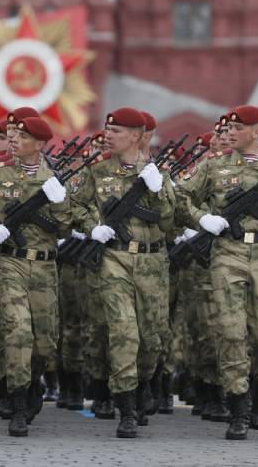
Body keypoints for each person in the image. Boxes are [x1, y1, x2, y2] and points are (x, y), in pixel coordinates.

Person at [178, 105, 258, 440]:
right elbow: (179, 197)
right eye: (227, 127)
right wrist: (202, 218)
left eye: (237, 128)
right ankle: (238, 406)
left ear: (256, 132)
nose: (229, 132)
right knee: (230, 332)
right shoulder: (212, 166)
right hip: (227, 252)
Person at [74, 107, 175, 438]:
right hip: (114, 260)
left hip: (152, 263)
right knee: (123, 332)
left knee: (151, 339)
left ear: (135, 136)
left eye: (116, 131)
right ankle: (127, 408)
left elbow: (169, 220)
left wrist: (159, 189)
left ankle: (144, 382)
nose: (108, 135)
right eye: (107, 129)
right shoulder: (97, 171)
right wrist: (93, 227)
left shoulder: (157, 174)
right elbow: (76, 206)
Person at [0, 116, 71, 437]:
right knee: (17, 331)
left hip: (44, 266)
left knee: (44, 341)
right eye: (14, 136)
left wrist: (58, 202)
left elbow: (67, 226)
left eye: (23, 137)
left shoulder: (54, 179)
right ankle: (16, 403)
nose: (14, 140)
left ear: (40, 145)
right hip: (10, 263)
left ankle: (33, 384)